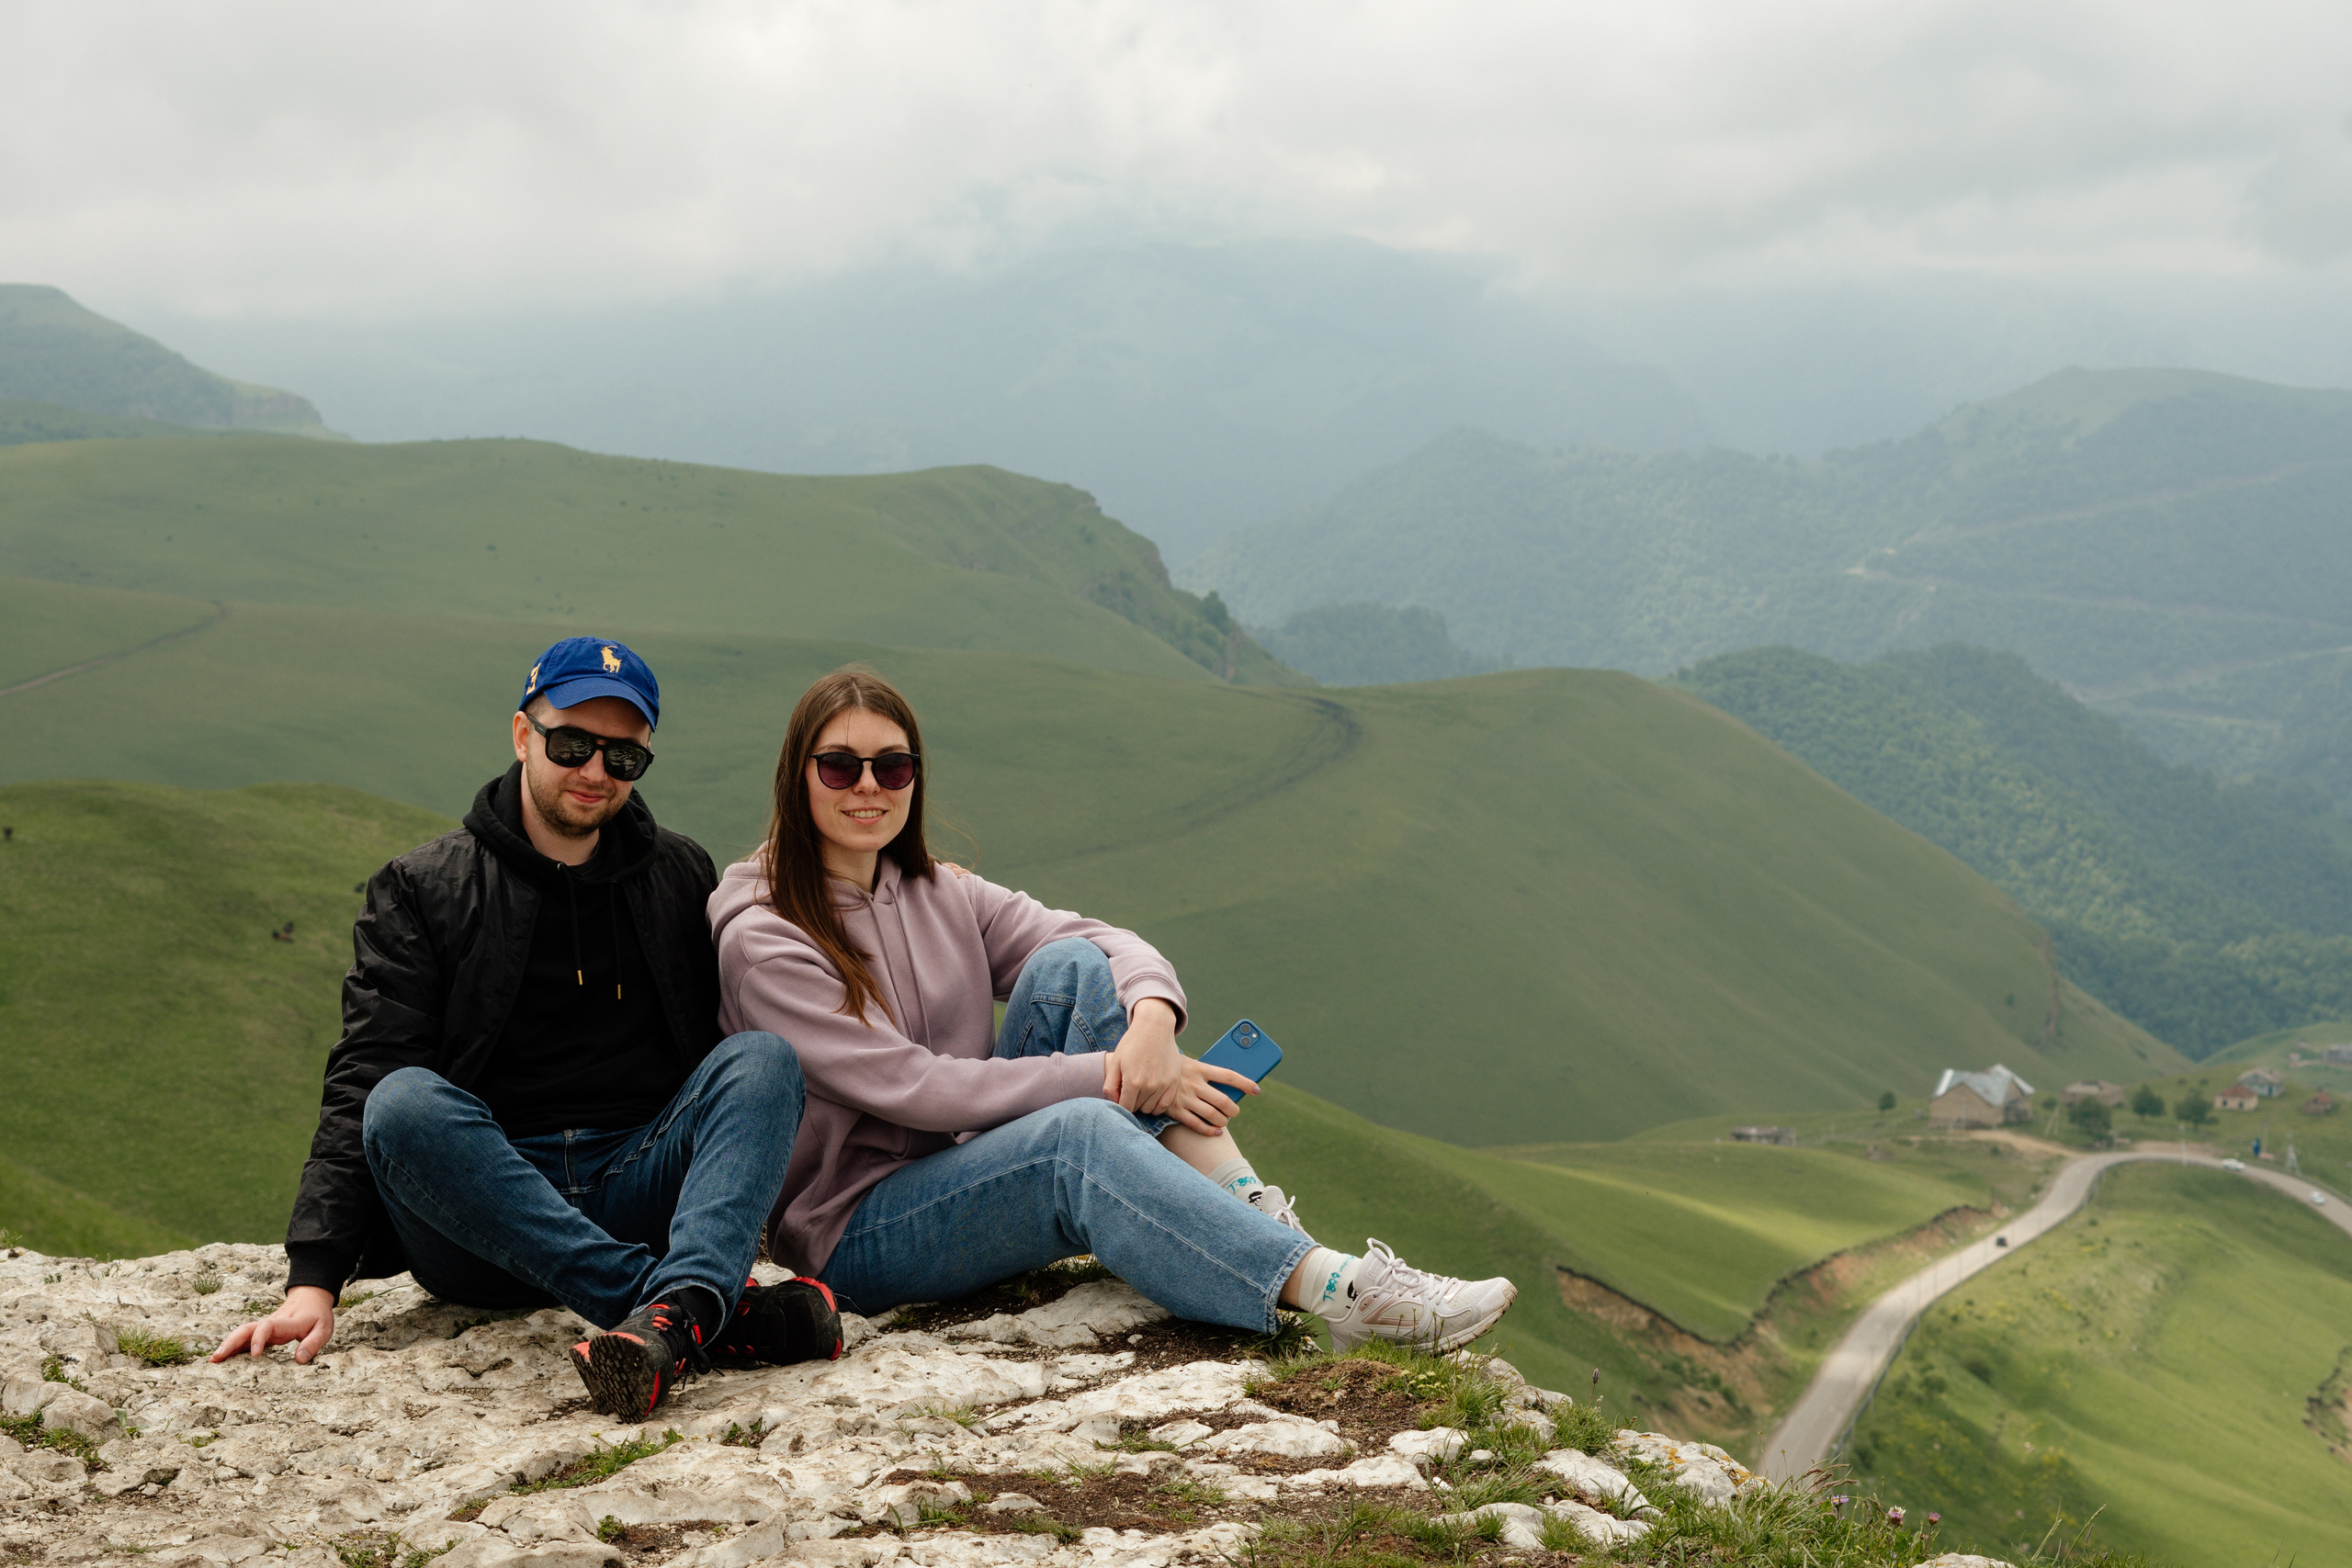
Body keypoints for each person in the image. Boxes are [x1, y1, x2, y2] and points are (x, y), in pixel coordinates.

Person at [708, 665, 1517, 1349]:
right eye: (839, 766)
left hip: (959, 1160)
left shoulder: (935, 887)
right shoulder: (766, 939)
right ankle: (1342, 1292)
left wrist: (1154, 1026)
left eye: (892, 767)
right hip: (858, 1230)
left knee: (1070, 967)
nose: (868, 786)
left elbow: (1102, 940)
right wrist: (1108, 1073)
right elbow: (917, 1087)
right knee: (1080, 1134)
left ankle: (1248, 1208)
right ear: (797, 775)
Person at [212, 636, 840, 1418]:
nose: (594, 770)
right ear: (522, 735)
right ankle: (689, 1310)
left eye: (623, 756)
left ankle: (672, 1318)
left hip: (634, 1178)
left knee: (764, 1059)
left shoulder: (679, 872)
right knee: (401, 1102)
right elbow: (363, 1078)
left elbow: (730, 1064)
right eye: (572, 743)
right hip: (483, 1215)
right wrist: (314, 1279)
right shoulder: (423, 888)